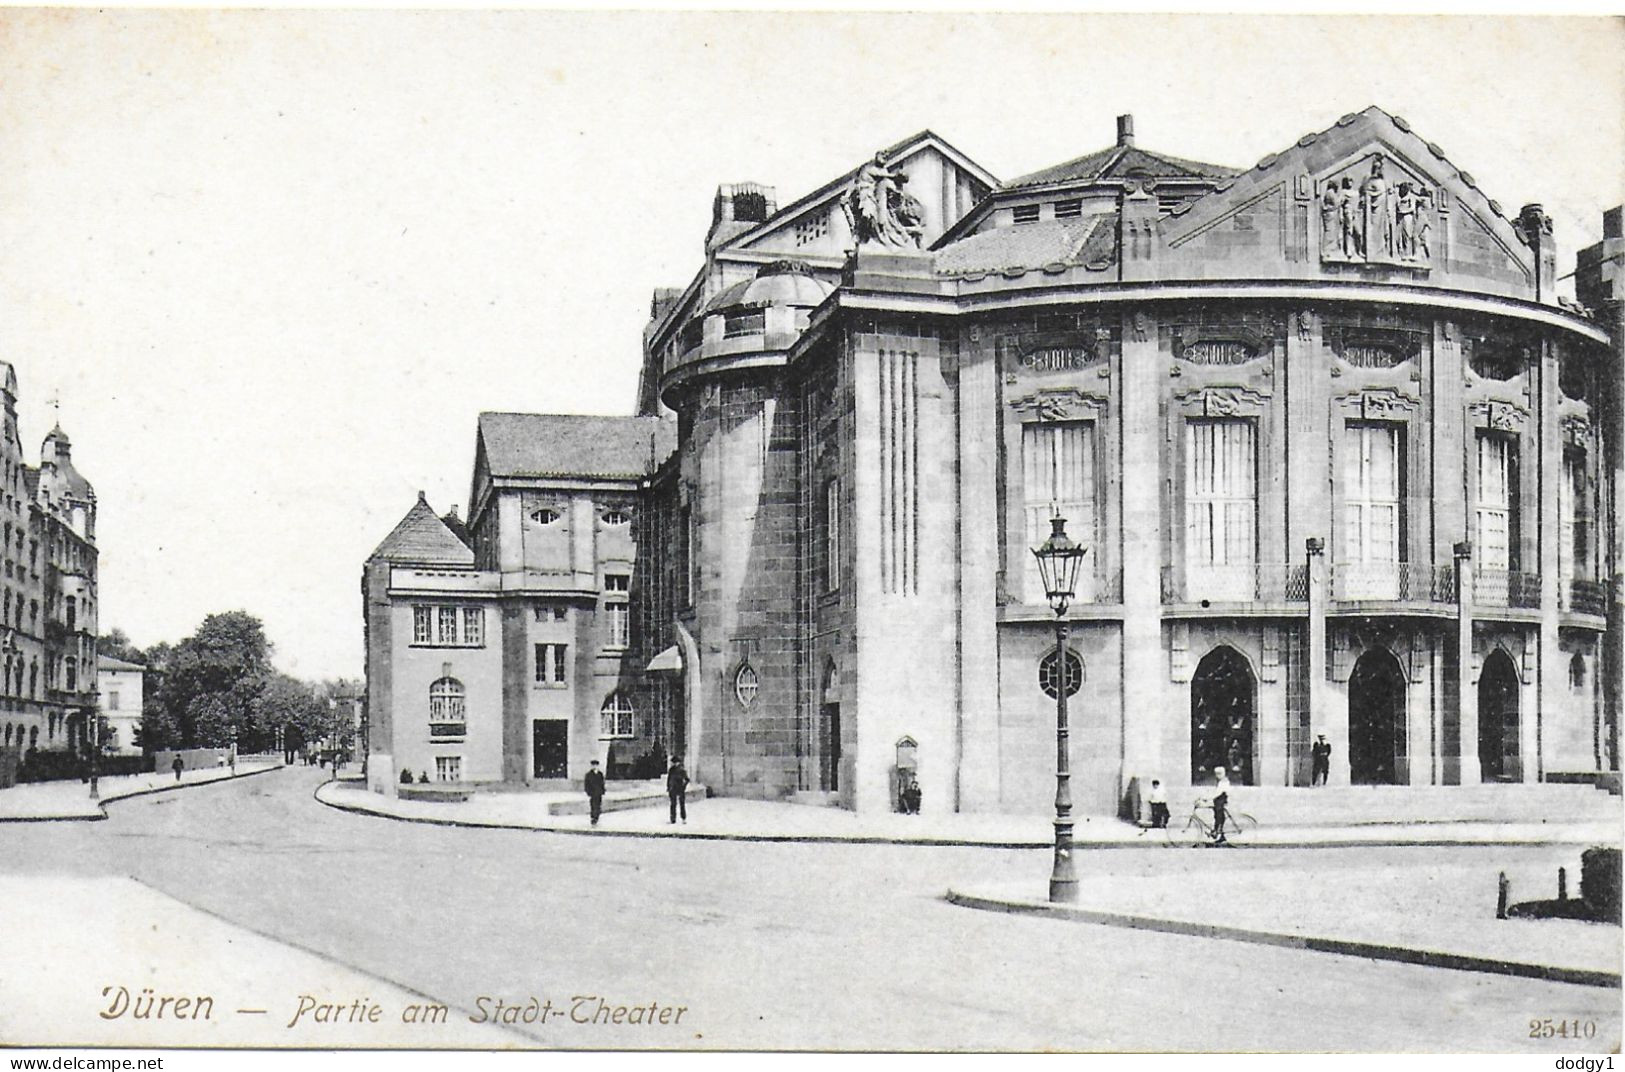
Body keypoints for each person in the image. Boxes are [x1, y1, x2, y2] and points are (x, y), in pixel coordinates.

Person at [1210, 766, 1232, 844]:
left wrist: (1207, 798)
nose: (1217, 775)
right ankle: (1220, 835)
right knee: (1218, 817)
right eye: (1216, 774)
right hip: (1218, 802)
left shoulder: (1223, 782)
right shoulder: (1221, 781)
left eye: (1218, 774)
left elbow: (1218, 792)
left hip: (1220, 802)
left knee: (1219, 818)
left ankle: (1218, 833)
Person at [666, 757, 689, 825]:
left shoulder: (681, 770)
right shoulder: (671, 770)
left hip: (680, 789)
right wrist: (668, 787)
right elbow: (669, 779)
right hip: (672, 789)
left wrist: (683, 786)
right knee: (673, 804)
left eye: (673, 762)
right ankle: (673, 819)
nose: (672, 764)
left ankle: (683, 818)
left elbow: (687, 779)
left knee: (682, 804)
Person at [584, 760, 606, 827]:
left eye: (596, 765)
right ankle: (593, 820)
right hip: (593, 793)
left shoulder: (600, 774)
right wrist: (588, 792)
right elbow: (586, 784)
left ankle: (596, 818)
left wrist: (603, 791)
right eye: (593, 765)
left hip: (599, 793)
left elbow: (602, 783)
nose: (594, 766)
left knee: (598, 806)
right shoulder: (588, 775)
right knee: (593, 806)